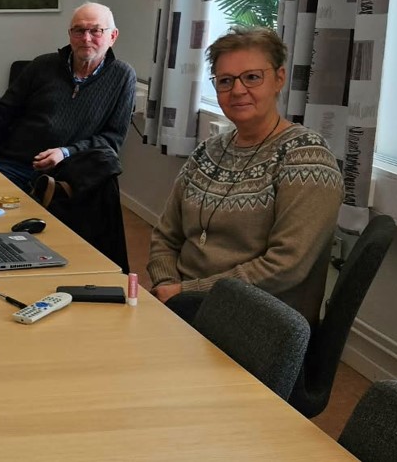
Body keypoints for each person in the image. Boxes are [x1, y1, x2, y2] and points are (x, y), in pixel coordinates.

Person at [147, 27, 343, 322]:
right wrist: (167, 288)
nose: (237, 90)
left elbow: (285, 266)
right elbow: (165, 236)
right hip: (185, 309)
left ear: (279, 78)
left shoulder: (307, 158)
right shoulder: (207, 152)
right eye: (225, 81)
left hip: (254, 326)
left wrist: (187, 293)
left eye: (252, 77)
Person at [0, 2, 138, 192]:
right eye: (78, 31)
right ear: (69, 34)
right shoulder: (43, 65)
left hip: (70, 176)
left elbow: (111, 139)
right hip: (16, 164)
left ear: (112, 36)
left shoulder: (122, 76)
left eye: (95, 31)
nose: (86, 38)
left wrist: (65, 152)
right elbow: (1, 112)